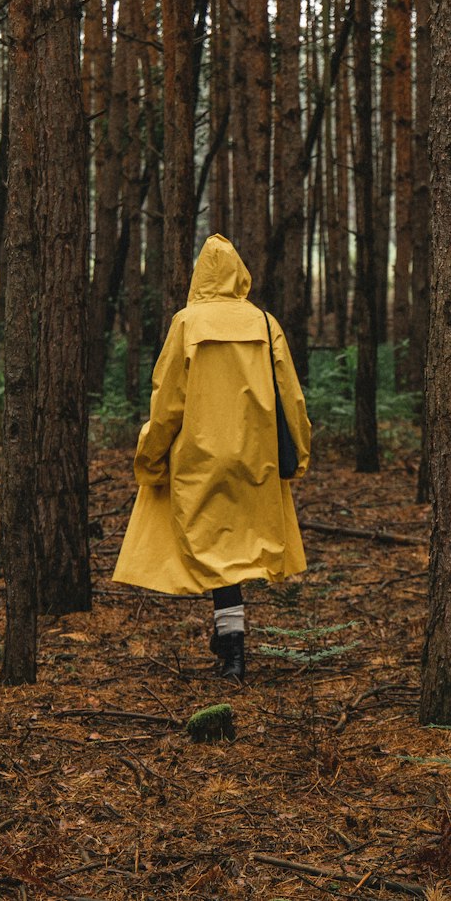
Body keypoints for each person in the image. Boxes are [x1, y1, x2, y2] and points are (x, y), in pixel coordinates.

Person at [112, 235, 311, 680]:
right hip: (254, 459)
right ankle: (231, 646)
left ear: (201, 276)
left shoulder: (187, 323)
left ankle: (231, 647)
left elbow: (167, 401)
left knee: (217, 555)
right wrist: (298, 452)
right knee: (235, 555)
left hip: (198, 460)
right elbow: (291, 397)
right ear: (239, 274)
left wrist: (150, 456)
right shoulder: (265, 323)